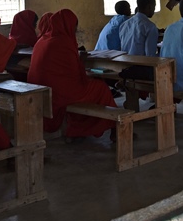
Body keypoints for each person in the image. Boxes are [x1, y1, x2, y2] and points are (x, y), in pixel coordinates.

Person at [27, 9, 117, 140]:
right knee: (101, 88)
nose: (75, 30)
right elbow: (76, 76)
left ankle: (77, 129)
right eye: (75, 26)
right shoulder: (64, 42)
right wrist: (83, 64)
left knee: (92, 87)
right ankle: (114, 127)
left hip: (41, 90)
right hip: (57, 93)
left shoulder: (42, 40)